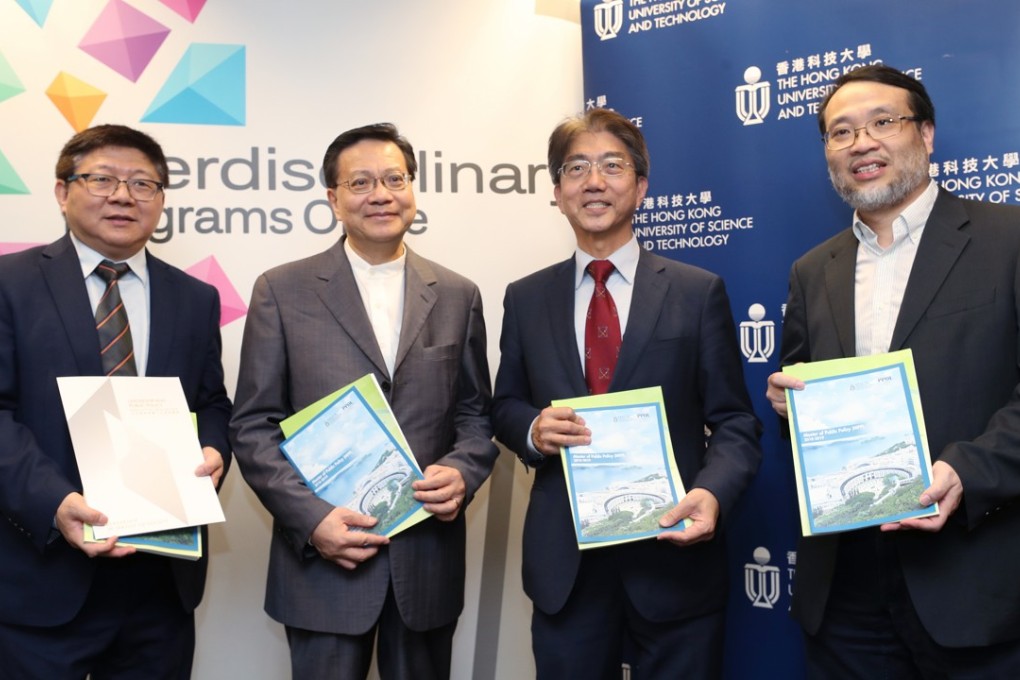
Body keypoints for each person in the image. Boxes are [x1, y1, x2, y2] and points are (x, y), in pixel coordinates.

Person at [766, 64, 1020, 677]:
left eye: (884, 122)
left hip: (975, 580)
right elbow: (800, 409)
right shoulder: (812, 270)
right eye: (840, 132)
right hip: (844, 592)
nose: (862, 143)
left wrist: (965, 470)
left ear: (927, 134)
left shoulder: (1008, 238)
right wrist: (789, 408)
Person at [491, 108, 762, 679]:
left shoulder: (697, 292)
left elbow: (735, 421)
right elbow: (505, 404)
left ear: (640, 186)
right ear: (558, 192)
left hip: (674, 557)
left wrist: (711, 494)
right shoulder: (525, 297)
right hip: (566, 563)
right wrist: (532, 431)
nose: (594, 181)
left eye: (612, 166)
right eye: (577, 168)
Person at [229, 122, 498, 680]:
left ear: (414, 189)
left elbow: (475, 416)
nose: (380, 194)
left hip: (424, 562)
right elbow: (254, 426)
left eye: (394, 178)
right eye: (360, 183)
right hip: (323, 567)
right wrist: (312, 520)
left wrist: (463, 472)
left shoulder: (457, 294)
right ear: (333, 199)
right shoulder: (281, 290)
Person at [0, 124, 232, 679]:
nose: (123, 196)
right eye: (102, 179)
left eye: (142, 184)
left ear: (160, 200)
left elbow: (212, 403)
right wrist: (56, 502)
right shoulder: (10, 284)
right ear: (62, 191)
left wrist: (213, 448)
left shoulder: (196, 298)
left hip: (159, 587)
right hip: (43, 578)